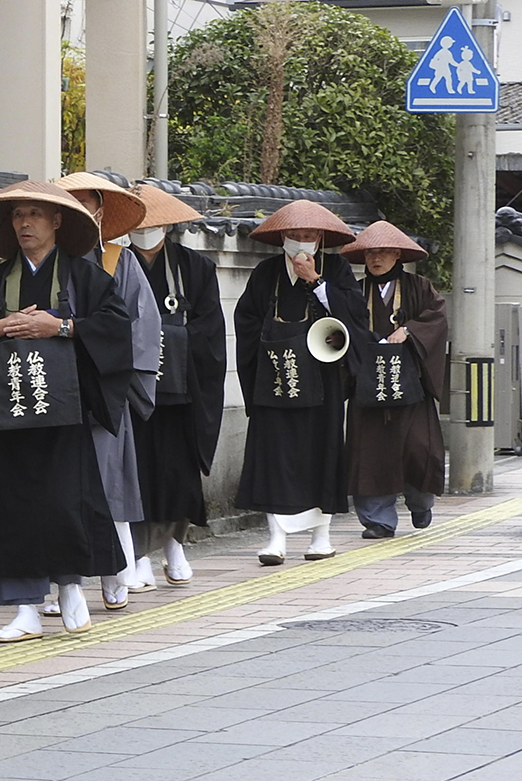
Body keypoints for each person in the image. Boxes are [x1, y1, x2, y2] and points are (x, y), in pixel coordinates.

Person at [0, 181, 134, 643]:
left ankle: (70, 588)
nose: (25, 223)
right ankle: (24, 609)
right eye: (17, 216)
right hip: (8, 416)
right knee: (10, 508)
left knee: (65, 501)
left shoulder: (87, 279)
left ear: (56, 222)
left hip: (63, 416)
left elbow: (115, 329)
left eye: (34, 214)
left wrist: (62, 326)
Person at [233, 199, 366, 565]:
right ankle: (275, 538)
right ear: (283, 239)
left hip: (322, 383)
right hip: (275, 380)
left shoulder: (336, 269)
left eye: (309, 236)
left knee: (320, 456)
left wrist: (317, 283)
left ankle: (320, 537)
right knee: (273, 457)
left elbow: (355, 318)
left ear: (321, 238)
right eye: (295, 235)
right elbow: (244, 320)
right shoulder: (265, 273)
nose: (302, 242)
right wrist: (267, 342)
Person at [53, 172, 159, 608]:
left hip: (103, 393)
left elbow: (143, 329)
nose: (79, 211)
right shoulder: (45, 263)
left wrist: (119, 384)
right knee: (58, 491)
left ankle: (117, 574)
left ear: (100, 212)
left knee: (108, 484)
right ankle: (61, 584)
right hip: (55, 393)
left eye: (86, 203)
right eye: (68, 203)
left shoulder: (120, 261)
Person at [126, 184, 226, 586]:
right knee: (135, 472)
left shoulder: (195, 268)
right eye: (137, 222)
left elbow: (211, 328)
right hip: (132, 391)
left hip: (180, 391)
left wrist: (166, 338)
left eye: (152, 222)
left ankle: (174, 545)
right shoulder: (112, 264)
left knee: (177, 472)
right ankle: (137, 554)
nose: (144, 229)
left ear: (167, 225)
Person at [339, 221, 447, 538]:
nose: (377, 258)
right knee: (369, 451)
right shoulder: (356, 291)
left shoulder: (418, 287)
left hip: (409, 381)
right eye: (372, 252)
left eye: (384, 251)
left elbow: (437, 317)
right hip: (368, 383)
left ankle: (420, 502)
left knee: (419, 447)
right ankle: (378, 520)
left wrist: (410, 329)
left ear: (397, 254)